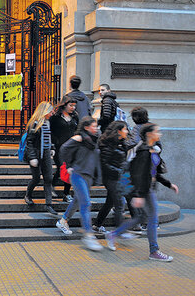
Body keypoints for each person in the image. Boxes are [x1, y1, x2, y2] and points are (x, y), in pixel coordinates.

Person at [104, 123, 179, 261]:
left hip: (147, 189)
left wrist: (169, 184)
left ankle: (113, 234)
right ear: (149, 134)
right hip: (143, 190)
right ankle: (154, 251)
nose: (159, 134)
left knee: (140, 218)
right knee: (152, 219)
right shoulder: (143, 152)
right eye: (157, 131)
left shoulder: (151, 150)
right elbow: (138, 175)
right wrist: (138, 195)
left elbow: (154, 173)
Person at [55, 117, 103, 251]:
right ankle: (88, 236)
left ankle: (63, 221)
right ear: (86, 127)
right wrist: (68, 165)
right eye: (93, 126)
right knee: (86, 203)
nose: (96, 128)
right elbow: (63, 149)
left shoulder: (94, 140)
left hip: (88, 175)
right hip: (78, 174)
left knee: (77, 200)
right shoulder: (79, 138)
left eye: (96, 126)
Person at [91, 121, 135, 239]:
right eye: (125, 129)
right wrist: (118, 171)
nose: (127, 131)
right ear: (118, 131)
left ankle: (97, 224)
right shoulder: (107, 144)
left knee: (109, 202)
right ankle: (120, 231)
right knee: (119, 204)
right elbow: (104, 164)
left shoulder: (121, 143)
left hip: (119, 177)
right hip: (110, 178)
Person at [23, 101, 58, 215]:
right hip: (36, 154)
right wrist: (32, 158)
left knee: (48, 178)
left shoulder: (48, 123)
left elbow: (50, 137)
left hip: (46, 154)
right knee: (36, 178)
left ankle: (49, 204)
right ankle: (28, 195)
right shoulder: (34, 123)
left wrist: (52, 148)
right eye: (50, 111)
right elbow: (30, 143)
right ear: (44, 111)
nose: (52, 113)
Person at [49, 95, 79, 202]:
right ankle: (51, 185)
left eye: (74, 106)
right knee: (61, 168)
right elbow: (51, 132)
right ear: (64, 105)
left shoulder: (75, 117)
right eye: (71, 105)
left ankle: (66, 194)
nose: (73, 108)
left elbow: (77, 130)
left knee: (69, 170)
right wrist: (54, 143)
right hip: (59, 148)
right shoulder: (55, 118)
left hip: (72, 148)